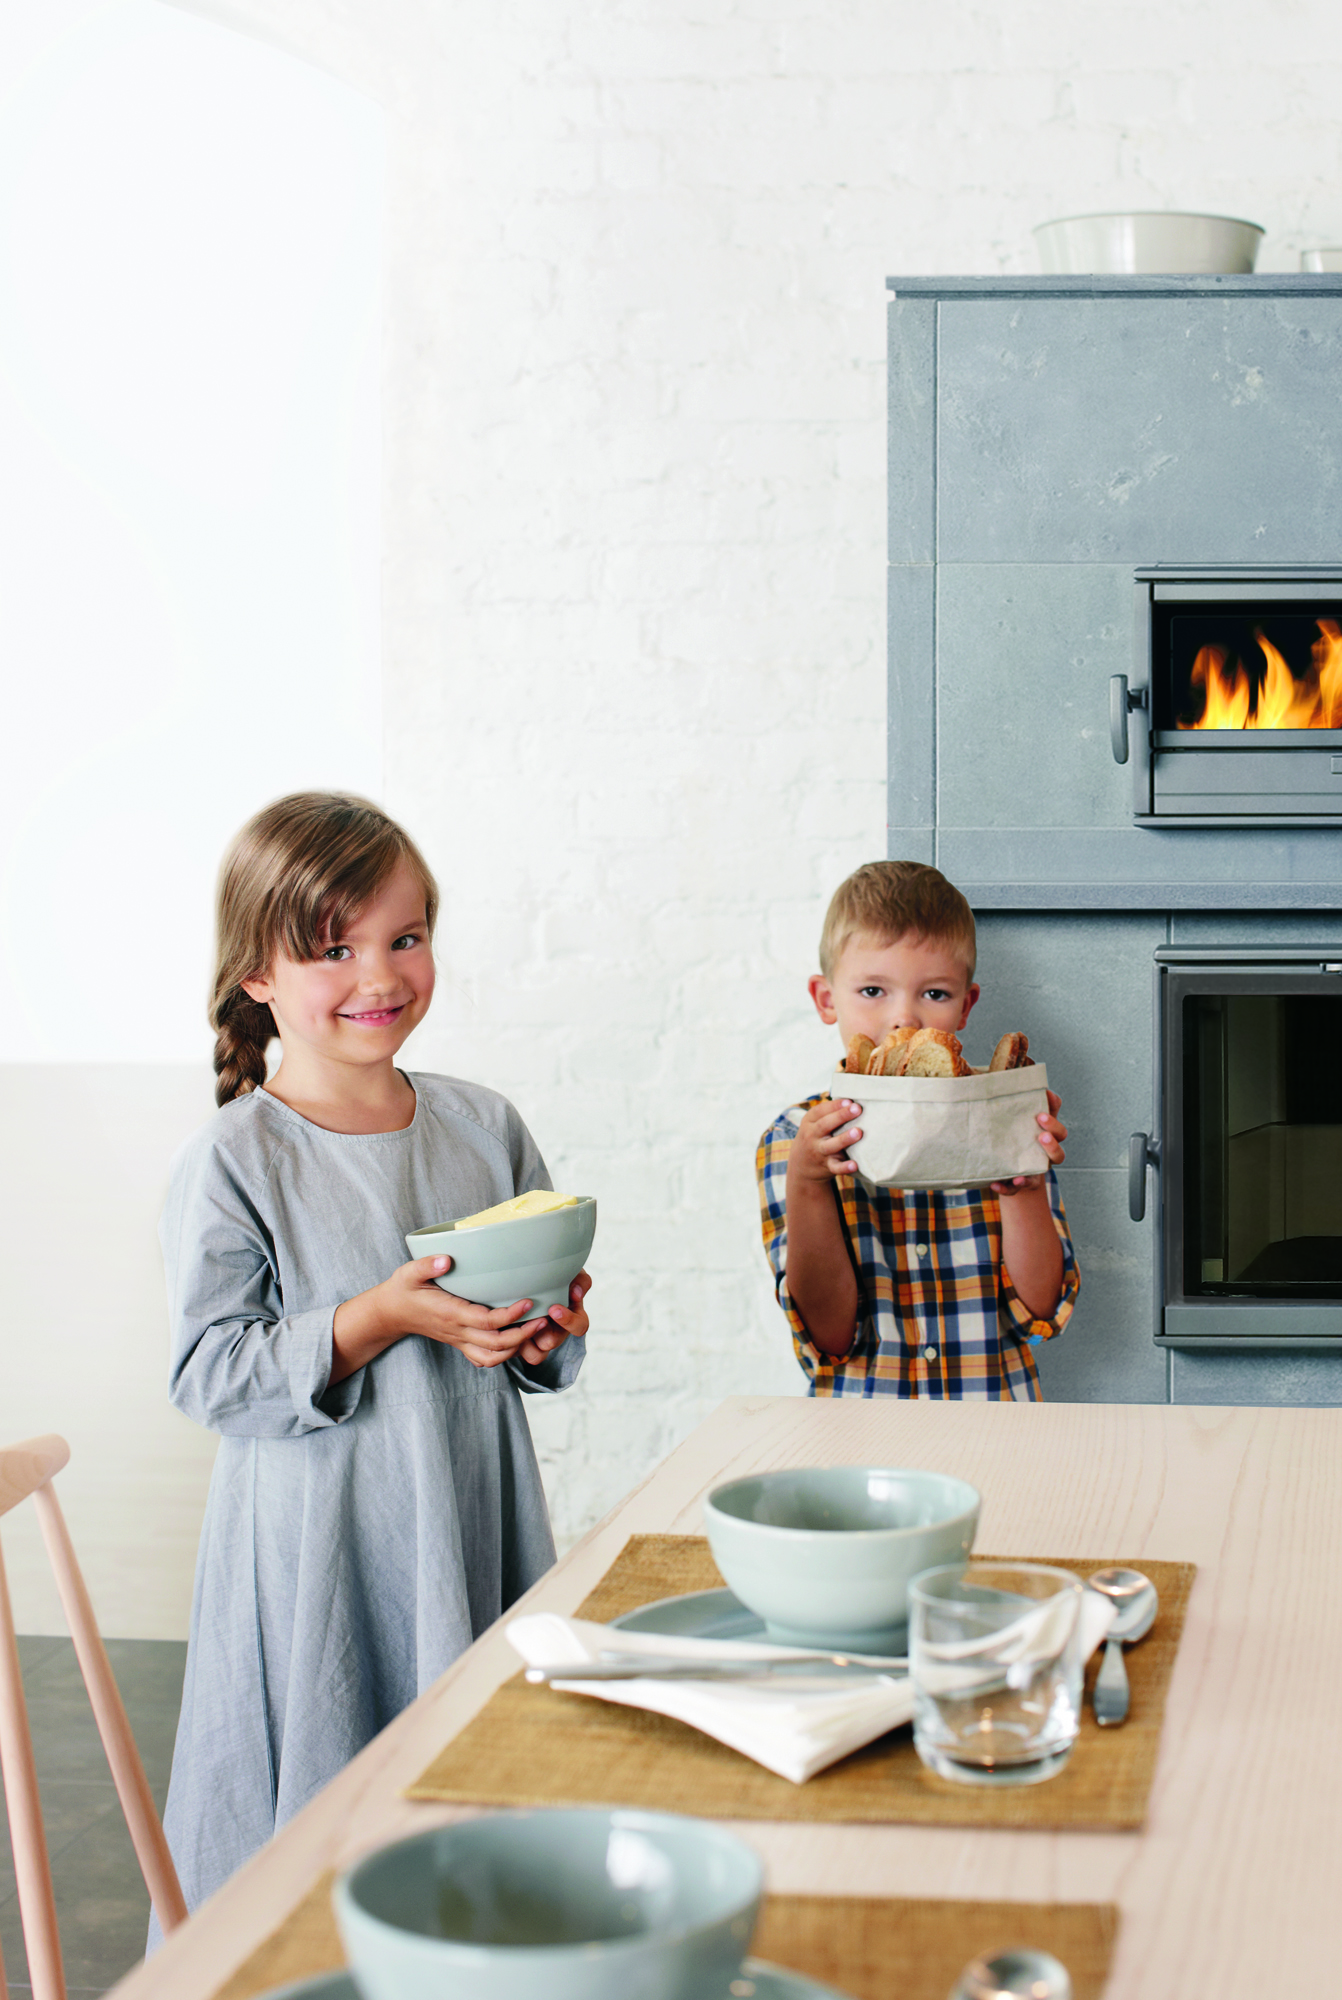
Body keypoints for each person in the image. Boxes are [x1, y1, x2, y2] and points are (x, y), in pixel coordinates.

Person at [154, 792, 590, 1927]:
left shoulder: (483, 1125)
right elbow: (211, 1370)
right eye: (333, 948)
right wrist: (375, 1317)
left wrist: (544, 1326)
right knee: (314, 1827)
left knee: (469, 1801)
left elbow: (531, 1349)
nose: (380, 974)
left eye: (405, 937)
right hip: (315, 1553)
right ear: (257, 974)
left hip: (468, 1509)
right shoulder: (238, 1155)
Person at [756, 860, 1077, 1398]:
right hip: (863, 1446)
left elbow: (1040, 1314)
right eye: (873, 991)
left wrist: (1024, 1188)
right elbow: (830, 1337)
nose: (905, 1019)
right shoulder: (795, 1138)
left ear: (966, 1005)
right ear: (826, 999)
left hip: (998, 1434)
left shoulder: (1002, 1112)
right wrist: (808, 1181)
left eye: (934, 994)